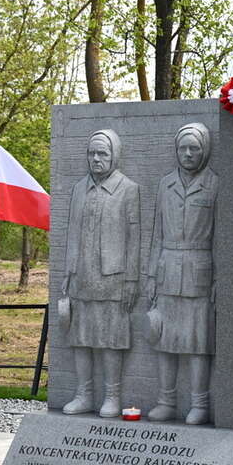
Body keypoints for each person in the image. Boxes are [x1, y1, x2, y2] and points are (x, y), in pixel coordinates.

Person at [60, 129, 140, 418]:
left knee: (110, 339)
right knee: (81, 337)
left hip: (113, 277)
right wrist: (68, 272)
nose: (96, 158)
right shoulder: (78, 189)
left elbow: (134, 237)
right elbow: (72, 233)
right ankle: (83, 394)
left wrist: (131, 279)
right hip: (82, 275)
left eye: (102, 153)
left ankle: (112, 396)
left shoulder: (128, 189)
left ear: (114, 155)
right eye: (91, 153)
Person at [146, 123, 218, 424]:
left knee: (197, 342)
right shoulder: (165, 184)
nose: (188, 154)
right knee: (165, 340)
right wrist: (151, 276)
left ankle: (199, 404)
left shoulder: (214, 184)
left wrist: (219, 278)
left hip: (199, 271)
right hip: (167, 270)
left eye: (194, 148)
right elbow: (156, 234)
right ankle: (166, 401)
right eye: (183, 148)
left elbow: (221, 236)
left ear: (204, 150)